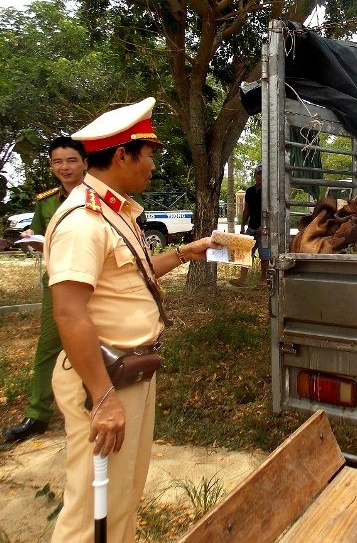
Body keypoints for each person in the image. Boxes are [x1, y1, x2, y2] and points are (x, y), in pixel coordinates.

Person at [45, 97, 218, 542]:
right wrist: (103, 399)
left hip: (129, 374)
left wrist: (184, 253)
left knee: (122, 497)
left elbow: (134, 275)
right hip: (102, 380)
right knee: (91, 512)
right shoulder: (83, 220)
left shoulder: (114, 211)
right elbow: (69, 312)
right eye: (149, 155)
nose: (153, 166)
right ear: (122, 155)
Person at [3, 137, 87, 443]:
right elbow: (40, 235)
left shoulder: (98, 196)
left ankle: (94, 404)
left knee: (98, 342)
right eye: (57, 162)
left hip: (95, 284)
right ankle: (37, 414)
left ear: (84, 163)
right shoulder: (47, 201)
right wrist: (32, 237)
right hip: (59, 284)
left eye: (71, 160)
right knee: (48, 347)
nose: (64, 167)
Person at [228, 165, 270, 289]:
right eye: (258, 174)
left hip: (264, 229)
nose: (260, 177)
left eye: (263, 174)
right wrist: (242, 225)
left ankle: (263, 281)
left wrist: (264, 226)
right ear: (255, 176)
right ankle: (242, 279)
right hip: (251, 227)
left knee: (264, 256)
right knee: (245, 253)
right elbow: (247, 209)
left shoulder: (268, 192)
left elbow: (272, 210)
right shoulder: (250, 191)